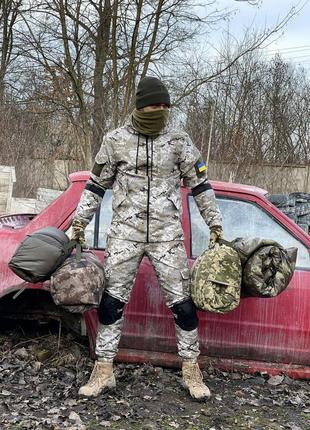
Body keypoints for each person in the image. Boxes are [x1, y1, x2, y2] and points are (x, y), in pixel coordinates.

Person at [71, 76, 224, 401]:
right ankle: (103, 370)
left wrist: (215, 224)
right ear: (142, 106)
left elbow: (200, 185)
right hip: (125, 234)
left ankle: (191, 370)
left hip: (167, 236)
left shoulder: (180, 141)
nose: (161, 112)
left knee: (183, 303)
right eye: (155, 106)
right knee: (112, 302)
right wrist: (78, 222)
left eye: (165, 107)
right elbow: (95, 185)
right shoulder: (115, 140)